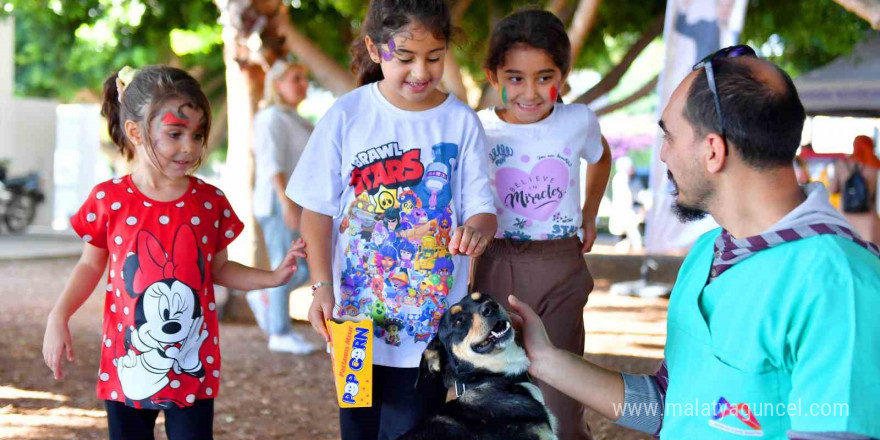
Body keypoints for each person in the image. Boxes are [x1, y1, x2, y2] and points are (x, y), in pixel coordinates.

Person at [508, 47, 880, 440]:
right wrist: (545, 360)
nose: (663, 153)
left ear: (713, 151)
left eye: (669, 135)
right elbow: (669, 407)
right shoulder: (708, 253)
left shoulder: (839, 282)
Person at [41, 65, 306, 440]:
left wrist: (273, 277)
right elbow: (89, 265)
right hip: (127, 363)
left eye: (197, 134)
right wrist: (58, 316)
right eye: (175, 133)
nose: (190, 147)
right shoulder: (109, 200)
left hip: (192, 366)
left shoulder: (210, 202)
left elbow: (221, 269)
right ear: (135, 132)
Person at [286, 1, 497, 438]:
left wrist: (476, 230)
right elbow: (317, 210)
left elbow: (482, 207)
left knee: (411, 430)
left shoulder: (460, 122)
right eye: (405, 58)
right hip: (354, 322)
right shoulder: (347, 116)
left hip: (429, 331)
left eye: (434, 57)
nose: (421, 71)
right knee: (358, 429)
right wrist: (321, 287)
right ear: (374, 48)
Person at [472, 10, 611, 440]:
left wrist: (589, 212)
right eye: (515, 78)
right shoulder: (478, 127)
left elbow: (601, 156)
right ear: (493, 75)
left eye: (544, 77)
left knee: (560, 398)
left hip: (561, 267)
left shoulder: (578, 120)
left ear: (564, 76)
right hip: (494, 263)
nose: (530, 92)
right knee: (495, 390)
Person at [250, 58, 317, 354]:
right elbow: (271, 165)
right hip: (279, 204)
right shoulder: (270, 118)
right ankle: (279, 332)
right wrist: (286, 203)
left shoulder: (295, 119)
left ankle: (265, 296)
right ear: (277, 85)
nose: (303, 84)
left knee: (301, 268)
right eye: (295, 78)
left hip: (296, 203)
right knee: (288, 265)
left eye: (304, 78)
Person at [830, 135, 880, 244]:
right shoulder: (875, 167)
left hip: (845, 217)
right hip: (869, 220)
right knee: (871, 256)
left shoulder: (841, 164)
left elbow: (833, 189)